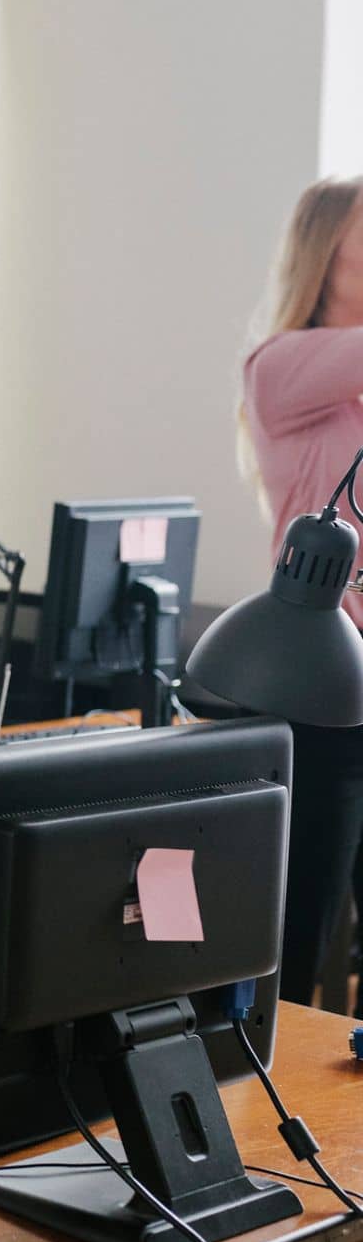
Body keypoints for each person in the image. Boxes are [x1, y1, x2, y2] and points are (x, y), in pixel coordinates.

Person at [240, 174, 363, 1008]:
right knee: (297, 930)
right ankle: (262, 1113)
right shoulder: (277, 367)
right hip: (319, 690)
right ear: (327, 251)